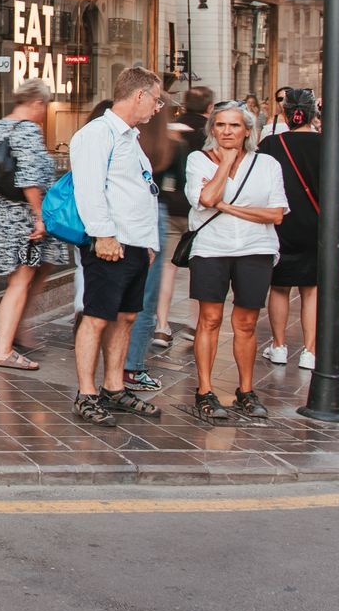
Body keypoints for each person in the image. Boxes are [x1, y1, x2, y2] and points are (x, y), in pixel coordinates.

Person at [67, 66, 166, 427]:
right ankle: (86, 394)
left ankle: (113, 387)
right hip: (110, 242)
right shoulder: (97, 134)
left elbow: (140, 192)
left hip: (135, 244)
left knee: (126, 316)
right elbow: (89, 190)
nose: (158, 107)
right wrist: (103, 235)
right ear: (139, 95)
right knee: (96, 317)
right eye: (156, 99)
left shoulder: (131, 137)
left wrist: (149, 243)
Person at [184, 100, 287, 422]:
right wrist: (225, 164)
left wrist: (227, 207)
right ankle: (205, 390)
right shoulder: (198, 160)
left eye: (234, 126)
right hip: (211, 248)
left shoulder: (267, 164)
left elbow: (275, 214)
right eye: (220, 125)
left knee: (246, 323)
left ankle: (245, 389)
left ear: (247, 130)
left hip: (256, 248)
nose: (227, 131)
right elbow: (207, 199)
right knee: (210, 319)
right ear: (211, 129)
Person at [0, 78, 71, 370]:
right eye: (45, 105)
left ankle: (12, 337)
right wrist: (39, 217)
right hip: (20, 218)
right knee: (20, 280)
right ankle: (4, 349)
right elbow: (29, 179)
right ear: (37, 102)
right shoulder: (27, 131)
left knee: (20, 279)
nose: (44, 111)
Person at [122, 96, 188, 391]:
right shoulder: (171, 145)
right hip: (155, 214)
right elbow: (182, 188)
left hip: (124, 216)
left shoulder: (128, 140)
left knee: (119, 294)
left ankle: (116, 365)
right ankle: (132, 366)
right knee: (145, 297)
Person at [258, 89, 321, 371]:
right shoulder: (327, 144)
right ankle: (310, 352)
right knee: (311, 290)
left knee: (280, 288)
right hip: (316, 225)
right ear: (314, 113)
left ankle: (279, 346)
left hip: (279, 222)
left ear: (285, 114)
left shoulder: (272, 143)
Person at [150, 86, 214, 350]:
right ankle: (194, 323)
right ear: (209, 108)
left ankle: (162, 326)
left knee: (167, 267)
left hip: (165, 206)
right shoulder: (210, 134)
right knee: (197, 266)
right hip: (198, 209)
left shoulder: (167, 129)